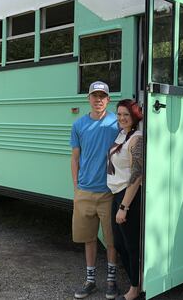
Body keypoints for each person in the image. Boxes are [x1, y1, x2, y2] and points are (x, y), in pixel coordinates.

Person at [70, 81, 120, 299]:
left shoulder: (116, 123)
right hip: (85, 192)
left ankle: (111, 281)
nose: (98, 100)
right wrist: (76, 187)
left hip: (108, 192)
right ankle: (90, 281)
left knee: (111, 240)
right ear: (88, 99)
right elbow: (75, 157)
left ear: (108, 100)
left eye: (102, 96)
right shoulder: (78, 125)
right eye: (94, 96)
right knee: (89, 238)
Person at [107, 99, 144, 300]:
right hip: (116, 193)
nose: (122, 118)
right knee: (119, 244)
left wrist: (124, 207)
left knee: (131, 245)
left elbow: (137, 176)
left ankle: (134, 288)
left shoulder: (136, 139)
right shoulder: (121, 134)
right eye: (119, 114)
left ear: (134, 117)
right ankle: (136, 282)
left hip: (128, 197)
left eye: (126, 115)